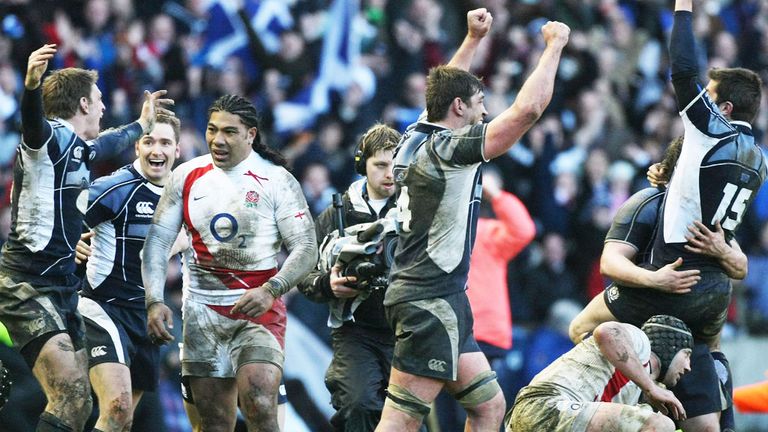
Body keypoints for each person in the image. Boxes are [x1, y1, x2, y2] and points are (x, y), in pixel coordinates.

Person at [375, 10, 570, 431]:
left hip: (442, 299)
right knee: (401, 421)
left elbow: (443, 89)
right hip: (430, 301)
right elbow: (528, 110)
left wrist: (472, 39)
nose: (486, 114)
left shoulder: (414, 136)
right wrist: (554, 47)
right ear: (460, 108)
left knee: (489, 407)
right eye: (480, 105)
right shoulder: (450, 149)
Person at [611, 0, 766, 428]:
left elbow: (682, 69)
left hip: (676, 277)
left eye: (710, 98)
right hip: (716, 291)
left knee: (585, 325)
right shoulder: (759, 159)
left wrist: (682, 7)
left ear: (726, 109)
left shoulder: (710, 130)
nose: (701, 104)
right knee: (706, 361)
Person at [0, 43, 171, 432]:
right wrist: (30, 88)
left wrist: (142, 126)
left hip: (61, 286)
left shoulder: (79, 148)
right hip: (28, 283)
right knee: (68, 394)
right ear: (82, 104)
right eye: (98, 100)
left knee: (78, 405)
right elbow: (32, 125)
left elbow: (107, 143)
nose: (103, 108)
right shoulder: (47, 140)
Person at [141, 94, 317, 432]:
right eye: (212, 130)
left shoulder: (277, 180)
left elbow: (307, 246)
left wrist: (272, 289)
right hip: (202, 316)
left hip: (258, 312)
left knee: (262, 405)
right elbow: (158, 242)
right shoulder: (186, 176)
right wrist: (155, 300)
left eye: (229, 132)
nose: (218, 139)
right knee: (215, 423)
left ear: (251, 134)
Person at [568, 137, 748, 431]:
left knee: (706, 425)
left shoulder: (713, 214)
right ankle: (613, 393)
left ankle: (721, 419)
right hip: (641, 305)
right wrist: (654, 279)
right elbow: (610, 262)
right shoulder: (647, 203)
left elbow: (741, 267)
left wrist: (722, 250)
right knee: (579, 328)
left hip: (690, 327)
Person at [73, 112, 181, 432]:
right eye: (148, 141)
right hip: (104, 307)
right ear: (137, 147)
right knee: (117, 408)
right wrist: (70, 242)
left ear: (178, 150)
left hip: (147, 318)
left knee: (122, 421)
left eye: (165, 143)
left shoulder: (185, 195)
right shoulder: (116, 187)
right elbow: (61, 217)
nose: (156, 150)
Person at [297, 123, 401, 431]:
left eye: (396, 165)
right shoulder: (334, 214)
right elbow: (303, 273)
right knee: (358, 407)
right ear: (362, 166)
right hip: (356, 332)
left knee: (407, 420)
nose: (389, 173)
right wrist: (327, 285)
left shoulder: (418, 211)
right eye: (380, 165)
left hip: (408, 330)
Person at [435, 165, 536, 430]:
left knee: (478, 412)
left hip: (481, 335)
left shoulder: (488, 231)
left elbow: (524, 230)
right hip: (445, 330)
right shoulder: (444, 226)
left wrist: (496, 194)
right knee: (448, 414)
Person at [507, 315, 693, 432]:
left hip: (538, 418)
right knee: (661, 426)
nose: (688, 366)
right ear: (671, 346)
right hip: (546, 406)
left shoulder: (637, 391)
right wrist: (651, 387)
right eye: (687, 355)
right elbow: (606, 332)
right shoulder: (640, 342)